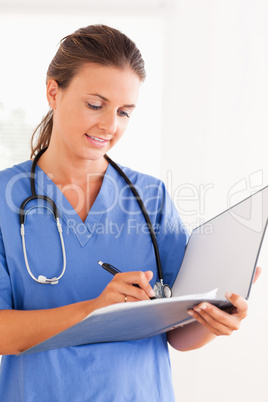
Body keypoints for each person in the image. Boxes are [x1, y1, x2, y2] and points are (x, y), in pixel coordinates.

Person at [0, 24, 261, 401]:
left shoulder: (150, 197)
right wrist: (94, 310)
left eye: (124, 112)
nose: (110, 125)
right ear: (53, 91)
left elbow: (178, 334)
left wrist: (215, 321)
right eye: (95, 104)